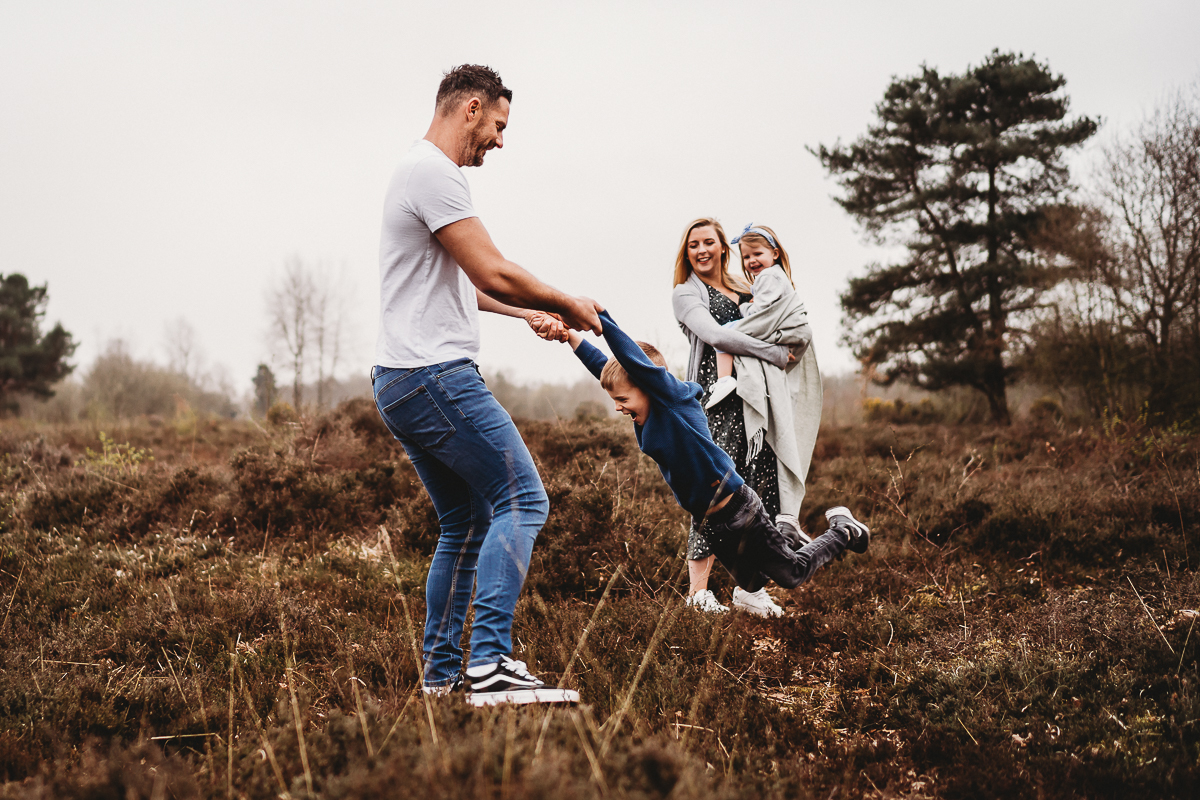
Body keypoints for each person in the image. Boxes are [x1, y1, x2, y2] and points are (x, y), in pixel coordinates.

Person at [372, 64, 601, 707]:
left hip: (401, 379)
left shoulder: (416, 173)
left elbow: (463, 283)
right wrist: (565, 299)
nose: (499, 141)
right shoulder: (434, 173)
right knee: (523, 500)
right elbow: (493, 269)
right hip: (435, 376)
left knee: (465, 524)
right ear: (470, 109)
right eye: (498, 126)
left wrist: (523, 312)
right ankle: (491, 664)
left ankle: (444, 676)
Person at [560, 309, 869, 607]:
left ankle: (843, 529)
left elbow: (629, 359)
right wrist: (570, 337)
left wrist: (600, 319)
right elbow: (606, 368)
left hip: (739, 512)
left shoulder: (673, 402)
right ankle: (785, 535)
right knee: (751, 584)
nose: (617, 408)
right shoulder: (646, 413)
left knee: (792, 573)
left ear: (648, 385)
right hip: (712, 523)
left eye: (622, 400)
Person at [670, 218, 799, 617]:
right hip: (714, 400)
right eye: (694, 245)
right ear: (686, 251)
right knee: (714, 492)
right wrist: (774, 353)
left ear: (724, 247)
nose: (702, 250)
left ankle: (750, 588)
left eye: (709, 242)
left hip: (752, 400)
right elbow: (717, 336)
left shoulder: (747, 287)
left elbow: (779, 321)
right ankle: (698, 592)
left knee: (757, 490)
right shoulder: (685, 293)